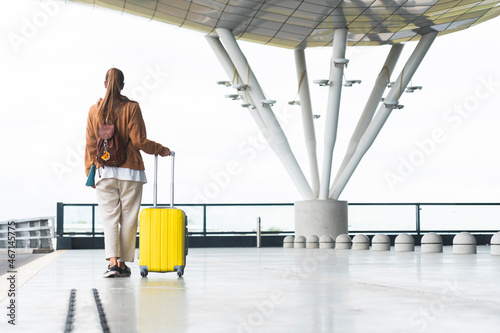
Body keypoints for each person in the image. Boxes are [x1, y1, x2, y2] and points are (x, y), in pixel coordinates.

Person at [85, 68, 170, 278]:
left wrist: (90, 172)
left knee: (109, 219)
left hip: (104, 172)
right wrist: (161, 149)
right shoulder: (132, 108)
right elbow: (140, 141)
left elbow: (89, 145)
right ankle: (122, 265)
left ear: (105, 84)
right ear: (122, 85)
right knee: (129, 219)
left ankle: (112, 264)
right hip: (130, 171)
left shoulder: (93, 110)